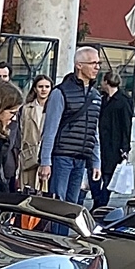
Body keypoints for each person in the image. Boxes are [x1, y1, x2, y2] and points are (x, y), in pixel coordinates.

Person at [40, 46, 106, 208]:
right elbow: (50, 130)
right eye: (93, 63)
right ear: (79, 65)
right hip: (62, 157)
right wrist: (45, 161)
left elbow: (93, 130)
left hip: (81, 158)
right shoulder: (60, 92)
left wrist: (96, 162)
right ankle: (56, 234)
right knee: (57, 204)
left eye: (99, 63)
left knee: (73, 206)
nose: (97, 67)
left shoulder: (95, 95)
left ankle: (64, 234)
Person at [97, 67, 135, 209]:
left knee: (108, 175)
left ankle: (101, 203)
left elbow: (127, 125)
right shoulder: (104, 99)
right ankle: (99, 201)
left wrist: (125, 147)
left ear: (106, 82)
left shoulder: (123, 101)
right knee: (98, 174)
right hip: (102, 142)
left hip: (114, 144)